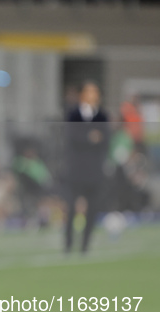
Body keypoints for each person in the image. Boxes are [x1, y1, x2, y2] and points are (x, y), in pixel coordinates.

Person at [64, 81, 109, 254]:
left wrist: (90, 138)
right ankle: (68, 245)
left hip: (95, 171)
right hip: (76, 170)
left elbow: (105, 139)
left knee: (92, 209)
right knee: (71, 208)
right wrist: (90, 137)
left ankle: (85, 245)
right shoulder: (73, 114)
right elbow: (73, 138)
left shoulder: (102, 116)